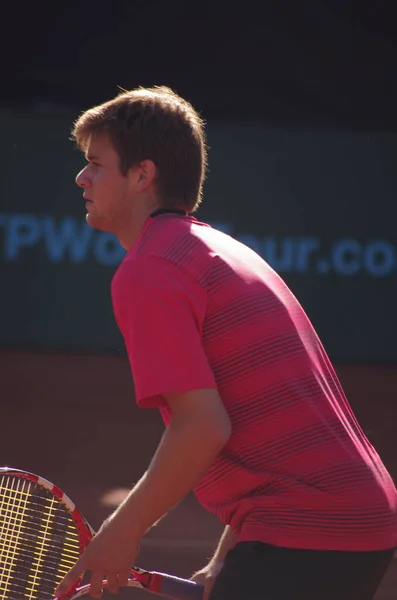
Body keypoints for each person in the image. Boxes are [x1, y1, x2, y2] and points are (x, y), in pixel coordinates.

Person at [56, 86, 396, 600]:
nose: (82, 177)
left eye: (96, 164)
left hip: (308, 532)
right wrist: (226, 558)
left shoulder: (150, 269)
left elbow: (203, 426)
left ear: (142, 175)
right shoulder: (221, 251)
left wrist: (119, 534)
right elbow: (261, 419)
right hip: (351, 521)